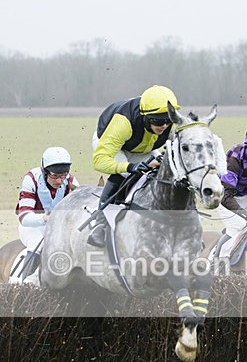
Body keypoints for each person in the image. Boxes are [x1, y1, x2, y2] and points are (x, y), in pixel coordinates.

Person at [86, 84, 180, 247]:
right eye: (158, 121)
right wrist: (129, 167)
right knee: (125, 174)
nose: (164, 126)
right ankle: (100, 224)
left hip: (143, 147)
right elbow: (99, 160)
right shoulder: (123, 122)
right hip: (111, 145)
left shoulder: (171, 123)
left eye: (168, 120)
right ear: (145, 116)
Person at [15, 146, 78, 277]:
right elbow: (24, 217)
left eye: (63, 176)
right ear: (44, 171)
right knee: (39, 245)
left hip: (57, 228)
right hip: (33, 226)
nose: (60, 181)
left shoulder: (70, 181)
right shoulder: (32, 179)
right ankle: (23, 283)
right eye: (54, 176)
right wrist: (45, 218)